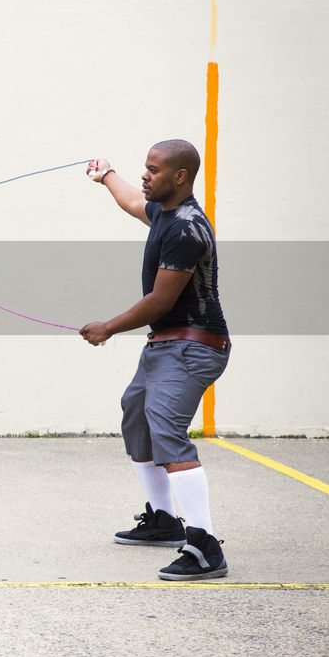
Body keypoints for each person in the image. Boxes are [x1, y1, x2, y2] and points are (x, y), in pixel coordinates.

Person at [80, 140, 231, 581]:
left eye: (153, 169)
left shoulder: (187, 228)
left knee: (166, 431)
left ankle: (205, 546)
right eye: (145, 168)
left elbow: (160, 301)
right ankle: (164, 520)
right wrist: (107, 174)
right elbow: (131, 200)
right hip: (166, 345)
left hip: (194, 344)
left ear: (179, 177)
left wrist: (107, 327)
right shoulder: (163, 213)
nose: (145, 176)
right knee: (137, 418)